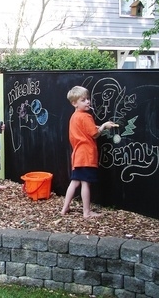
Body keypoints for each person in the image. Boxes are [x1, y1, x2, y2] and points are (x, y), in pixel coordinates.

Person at [61, 86, 117, 218]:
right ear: (74, 103)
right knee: (86, 183)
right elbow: (95, 134)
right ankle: (86, 212)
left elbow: (82, 131)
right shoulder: (86, 116)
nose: (88, 102)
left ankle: (65, 208)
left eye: (88, 99)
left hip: (77, 155)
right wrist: (104, 126)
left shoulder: (74, 117)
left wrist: (96, 126)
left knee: (74, 182)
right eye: (83, 100)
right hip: (87, 155)